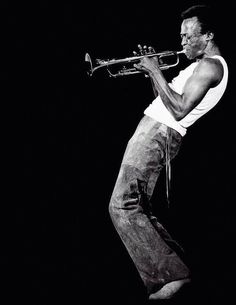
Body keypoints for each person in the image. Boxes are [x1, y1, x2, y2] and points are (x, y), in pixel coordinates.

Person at [108, 4, 228, 301]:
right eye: (182, 36)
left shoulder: (211, 66)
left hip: (159, 134)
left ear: (209, 35)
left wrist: (152, 69)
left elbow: (178, 109)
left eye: (189, 36)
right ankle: (175, 272)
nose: (183, 42)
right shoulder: (197, 65)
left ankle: (174, 276)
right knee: (139, 208)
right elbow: (166, 101)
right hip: (154, 130)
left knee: (122, 206)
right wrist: (155, 74)